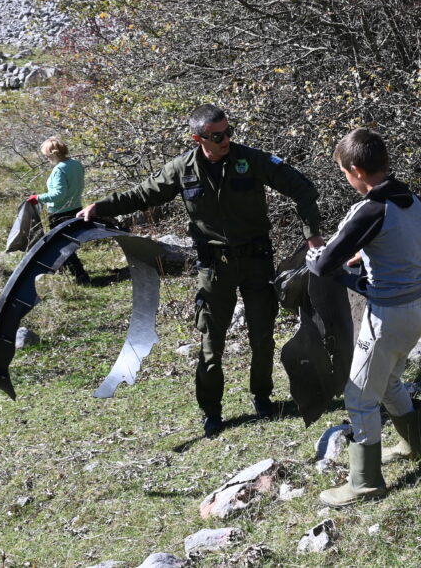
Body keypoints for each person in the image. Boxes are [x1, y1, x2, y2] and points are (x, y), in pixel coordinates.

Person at [76, 104, 324, 437]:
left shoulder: (250, 160)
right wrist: (100, 208)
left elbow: (303, 188)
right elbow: (142, 195)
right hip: (214, 268)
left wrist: (312, 235)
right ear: (199, 137)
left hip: (256, 261)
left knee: (262, 336)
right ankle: (212, 412)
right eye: (218, 136)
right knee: (211, 342)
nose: (226, 140)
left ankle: (262, 398)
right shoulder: (182, 168)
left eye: (229, 132)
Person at [305, 128, 421, 507]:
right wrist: (362, 256)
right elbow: (398, 241)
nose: (346, 179)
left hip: (388, 315)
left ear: (358, 170)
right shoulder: (409, 198)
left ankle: (365, 481)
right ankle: (416, 445)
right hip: (418, 307)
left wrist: (315, 254)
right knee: (390, 377)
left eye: (344, 172)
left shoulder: (370, 208)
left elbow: (324, 263)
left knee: (360, 396)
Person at [29, 137, 90, 284]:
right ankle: (66, 271)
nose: (46, 158)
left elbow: (58, 194)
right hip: (76, 209)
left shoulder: (59, 170)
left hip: (59, 213)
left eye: (46, 155)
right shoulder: (76, 164)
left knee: (63, 246)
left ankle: (80, 275)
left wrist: (38, 198)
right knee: (69, 243)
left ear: (53, 154)